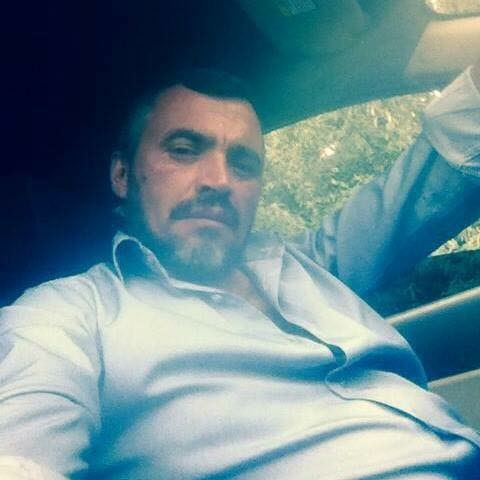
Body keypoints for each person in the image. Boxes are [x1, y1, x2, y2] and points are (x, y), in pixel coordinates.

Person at [0, 64, 479, 479]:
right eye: (184, 149)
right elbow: (21, 445)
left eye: (243, 163)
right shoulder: (68, 316)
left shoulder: (310, 264)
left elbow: (431, 178)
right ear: (122, 175)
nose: (219, 181)